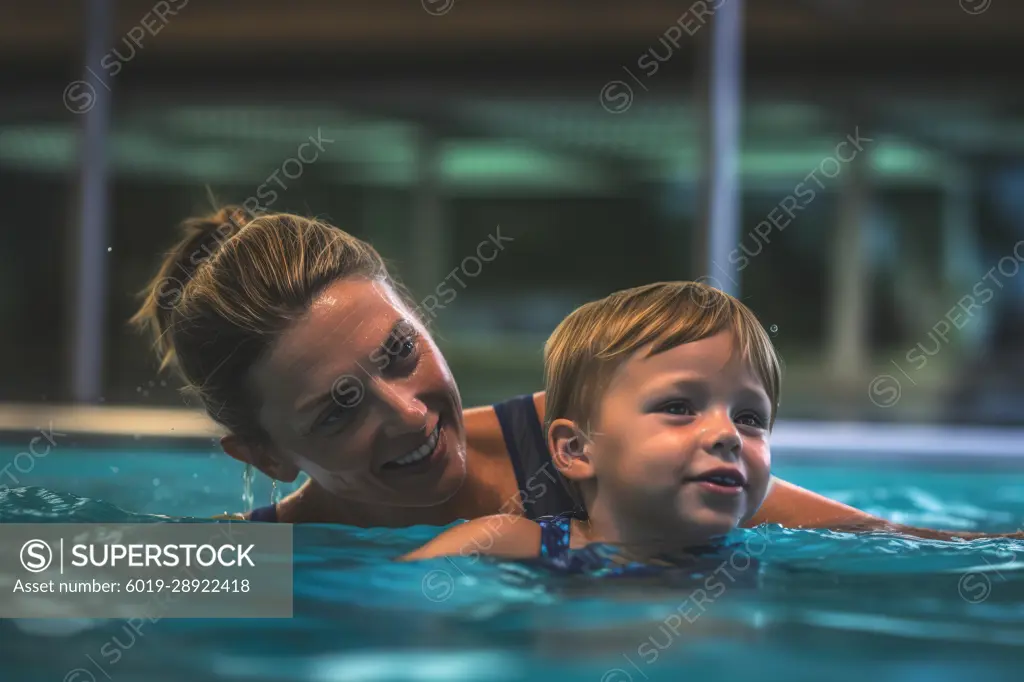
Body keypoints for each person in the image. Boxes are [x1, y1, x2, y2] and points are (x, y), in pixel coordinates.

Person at [132, 206, 1010, 538]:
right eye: (341, 408)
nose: (409, 414)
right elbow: (46, 583)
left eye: (401, 354)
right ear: (264, 455)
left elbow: (889, 545)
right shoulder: (258, 558)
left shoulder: (594, 439)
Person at [403, 282, 777, 563]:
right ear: (576, 450)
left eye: (749, 417)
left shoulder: (765, 558)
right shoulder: (510, 544)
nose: (728, 435)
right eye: (679, 408)